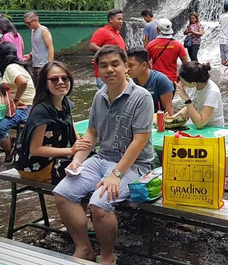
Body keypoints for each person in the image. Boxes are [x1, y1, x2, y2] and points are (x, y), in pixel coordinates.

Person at [53, 45, 154, 265]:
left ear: (126, 67)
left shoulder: (142, 97)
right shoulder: (100, 96)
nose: (110, 69)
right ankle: (84, 248)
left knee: (100, 203)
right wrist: (77, 161)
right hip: (101, 159)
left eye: (115, 64)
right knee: (62, 192)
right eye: (104, 65)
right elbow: (92, 132)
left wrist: (116, 174)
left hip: (134, 165)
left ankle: (108, 256)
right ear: (98, 70)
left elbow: (140, 141)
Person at [13, 62, 91, 182]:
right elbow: (35, 149)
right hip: (35, 167)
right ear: (45, 84)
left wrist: (82, 146)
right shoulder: (41, 111)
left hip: (54, 158)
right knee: (86, 176)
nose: (60, 82)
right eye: (54, 79)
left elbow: (74, 134)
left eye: (64, 78)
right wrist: (71, 151)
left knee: (94, 162)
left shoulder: (65, 104)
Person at [0, 42, 36, 161]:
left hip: (26, 107)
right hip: (17, 106)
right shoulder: (16, 66)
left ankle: (10, 151)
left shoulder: (11, 68)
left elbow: (22, 82)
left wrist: (17, 100)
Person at [172, 62, 224, 128]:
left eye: (183, 82)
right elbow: (190, 108)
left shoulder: (212, 92)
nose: (181, 84)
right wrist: (172, 119)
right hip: (194, 127)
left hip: (211, 130)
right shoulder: (193, 86)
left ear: (193, 83)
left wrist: (187, 100)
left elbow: (200, 123)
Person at [126, 48, 175, 116]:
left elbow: (168, 109)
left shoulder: (160, 80)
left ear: (144, 65)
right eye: (126, 66)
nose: (127, 69)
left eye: (131, 65)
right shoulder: (129, 81)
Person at [146, 18, 189, 85]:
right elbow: (186, 63)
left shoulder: (151, 44)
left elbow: (145, 62)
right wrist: (180, 76)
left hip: (156, 78)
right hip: (172, 79)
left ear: (158, 29)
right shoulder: (178, 45)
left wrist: (150, 72)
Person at [89, 9, 125, 89]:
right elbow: (92, 45)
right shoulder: (102, 31)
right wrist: (107, 54)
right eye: (119, 19)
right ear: (111, 20)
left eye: (122, 19)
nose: (121, 21)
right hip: (105, 75)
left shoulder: (117, 34)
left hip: (117, 73)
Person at [22, 12, 54, 81]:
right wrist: (30, 55)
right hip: (35, 64)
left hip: (43, 65)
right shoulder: (33, 31)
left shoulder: (44, 31)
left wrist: (50, 64)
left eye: (29, 23)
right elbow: (37, 47)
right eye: (26, 23)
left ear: (36, 20)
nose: (27, 25)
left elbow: (50, 47)